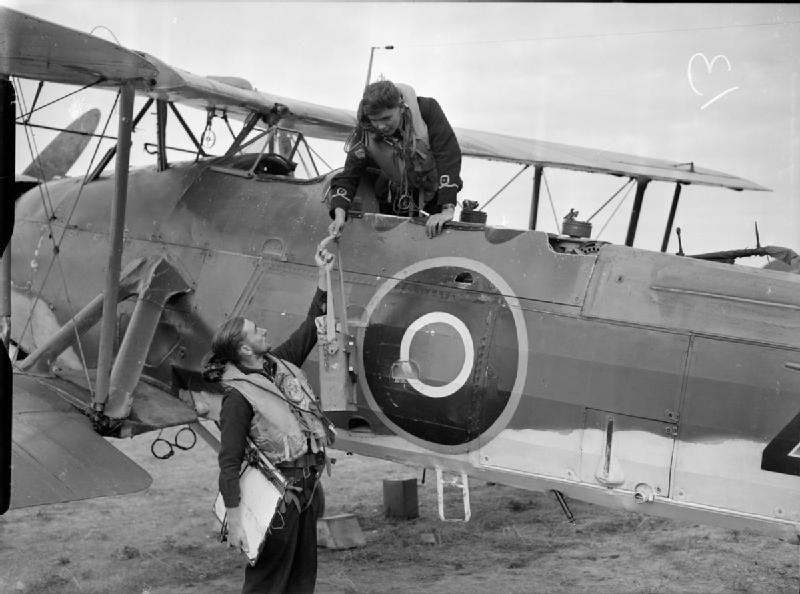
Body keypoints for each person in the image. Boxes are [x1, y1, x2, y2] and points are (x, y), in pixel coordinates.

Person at [202, 240, 337, 594]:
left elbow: (312, 324)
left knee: (301, 578)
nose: (264, 331)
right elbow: (229, 461)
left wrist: (322, 275)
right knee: (267, 582)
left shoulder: (278, 364)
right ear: (245, 349)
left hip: (305, 489)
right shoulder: (237, 398)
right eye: (256, 330)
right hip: (280, 494)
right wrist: (234, 516)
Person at [327, 80, 463, 239]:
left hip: (434, 198)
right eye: (375, 120)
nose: (381, 126)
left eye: (386, 118)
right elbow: (350, 174)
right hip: (394, 200)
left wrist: (447, 210)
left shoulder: (427, 109)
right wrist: (339, 215)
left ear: (401, 107)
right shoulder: (365, 131)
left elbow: (448, 154)